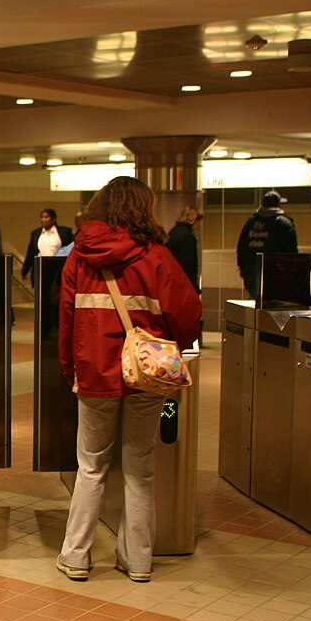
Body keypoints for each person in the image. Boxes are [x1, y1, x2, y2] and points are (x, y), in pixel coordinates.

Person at [56, 176, 201, 583]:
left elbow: (66, 321)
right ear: (143, 208)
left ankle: (76, 557)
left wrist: (72, 370)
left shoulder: (79, 258)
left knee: (91, 467)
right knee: (140, 467)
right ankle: (137, 560)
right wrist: (169, 344)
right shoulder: (156, 257)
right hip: (145, 376)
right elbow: (189, 313)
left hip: (94, 374)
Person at [236, 190, 298, 299]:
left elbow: (241, 249)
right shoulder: (284, 223)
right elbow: (292, 255)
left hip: (253, 281)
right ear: (278, 205)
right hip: (278, 283)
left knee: (256, 310)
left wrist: (245, 272)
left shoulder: (250, 223)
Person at [21, 208, 75, 282]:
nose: (43, 220)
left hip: (57, 267)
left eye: (46, 217)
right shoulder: (35, 233)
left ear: (53, 219)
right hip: (41, 267)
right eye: (42, 217)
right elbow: (31, 252)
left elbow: (70, 249)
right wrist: (25, 270)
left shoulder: (64, 232)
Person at [167, 205, 203, 293]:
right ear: (193, 220)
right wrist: (194, 288)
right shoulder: (188, 237)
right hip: (184, 286)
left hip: (172, 283)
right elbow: (188, 265)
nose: (197, 224)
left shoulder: (173, 232)